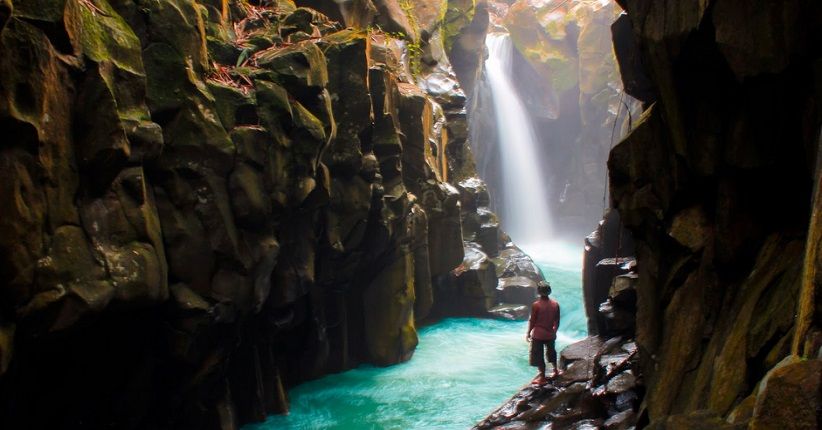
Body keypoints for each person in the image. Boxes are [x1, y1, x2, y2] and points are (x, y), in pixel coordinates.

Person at [526, 280, 561, 385]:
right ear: (549, 291)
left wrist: (528, 332)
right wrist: (554, 331)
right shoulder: (555, 304)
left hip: (538, 335)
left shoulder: (536, 305)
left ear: (539, 292)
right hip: (550, 334)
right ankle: (556, 370)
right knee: (551, 352)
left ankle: (542, 378)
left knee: (538, 356)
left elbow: (533, 320)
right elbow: (557, 321)